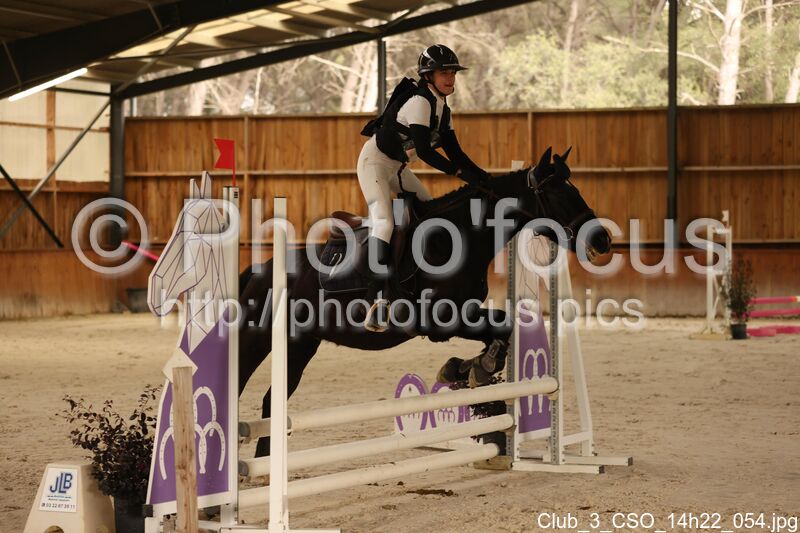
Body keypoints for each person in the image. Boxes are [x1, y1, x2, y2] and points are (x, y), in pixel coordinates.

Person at [357, 44, 489, 332]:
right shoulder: (420, 102)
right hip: (374, 164)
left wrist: (484, 178)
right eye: (444, 73)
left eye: (453, 73)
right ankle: (374, 298)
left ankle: (413, 282)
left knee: (429, 212)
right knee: (385, 222)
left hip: (397, 168)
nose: (450, 78)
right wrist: (458, 173)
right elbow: (427, 153)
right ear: (428, 76)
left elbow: (457, 154)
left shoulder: (443, 109)